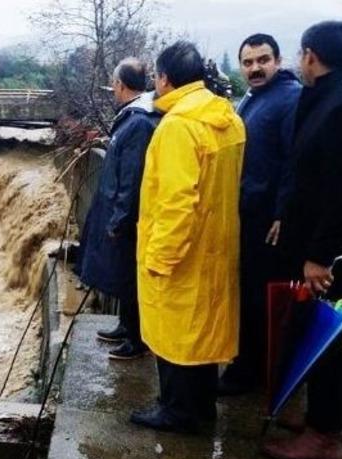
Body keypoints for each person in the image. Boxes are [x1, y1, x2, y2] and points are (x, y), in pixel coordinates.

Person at [129, 41, 245, 433]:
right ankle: (200, 407)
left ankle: (177, 411)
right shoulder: (226, 117)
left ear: (164, 79)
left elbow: (178, 202)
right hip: (217, 245)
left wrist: (160, 256)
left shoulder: (179, 126)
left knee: (176, 335)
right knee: (203, 335)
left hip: (184, 250)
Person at [262, 20, 342, 459]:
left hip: (330, 256)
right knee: (318, 334)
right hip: (314, 243)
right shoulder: (327, 98)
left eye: (300, 55)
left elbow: (340, 190)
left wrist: (319, 255)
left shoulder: (341, 106)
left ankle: (325, 436)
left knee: (328, 339)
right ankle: (321, 418)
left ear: (311, 56)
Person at [218, 34, 302, 395]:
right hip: (249, 215)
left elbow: (294, 162)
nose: (255, 68)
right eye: (248, 62)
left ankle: (254, 374)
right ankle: (247, 366)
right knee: (248, 293)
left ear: (278, 61)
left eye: (262, 60)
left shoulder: (289, 99)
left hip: (268, 221)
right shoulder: (253, 98)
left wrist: (282, 212)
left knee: (260, 298)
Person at [76, 58, 160, 360]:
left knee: (130, 276)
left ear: (119, 85)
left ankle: (137, 341)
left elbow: (133, 178)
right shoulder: (134, 116)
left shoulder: (138, 121)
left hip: (128, 216)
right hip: (120, 210)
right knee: (124, 274)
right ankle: (126, 326)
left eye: (113, 84)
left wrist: (120, 219)